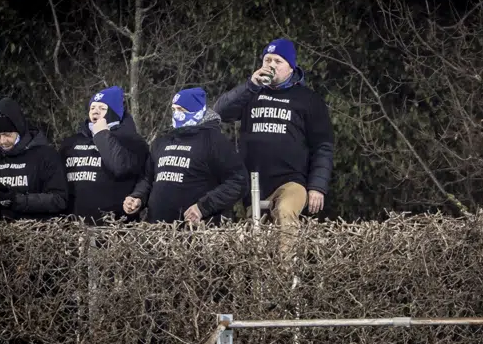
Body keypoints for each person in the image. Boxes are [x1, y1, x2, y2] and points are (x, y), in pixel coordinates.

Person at [214, 38, 333, 251]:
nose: (271, 65)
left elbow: (323, 145)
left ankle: (284, 276)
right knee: (253, 242)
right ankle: (259, 281)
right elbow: (220, 113)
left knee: (285, 213)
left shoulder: (307, 99)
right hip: (253, 184)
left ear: (291, 67)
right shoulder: (252, 93)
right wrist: (250, 86)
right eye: (267, 59)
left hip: (291, 181)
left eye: (277, 60)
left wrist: (317, 186)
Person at [127, 88, 247, 225]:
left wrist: (203, 207)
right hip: (158, 233)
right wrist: (138, 197)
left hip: (198, 233)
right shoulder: (162, 141)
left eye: (182, 110)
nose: (177, 115)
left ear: (196, 111)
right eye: (174, 110)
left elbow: (238, 181)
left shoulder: (214, 141)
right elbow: (148, 178)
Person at [58, 86, 149, 223]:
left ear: (113, 113)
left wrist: (102, 134)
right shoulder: (71, 142)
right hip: (73, 225)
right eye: (93, 107)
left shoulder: (132, 141)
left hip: (113, 226)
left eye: (102, 108)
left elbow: (120, 167)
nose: (95, 111)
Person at [0, 99, 69, 221]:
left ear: (20, 130)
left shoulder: (46, 155)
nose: (2, 141)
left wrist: (16, 200)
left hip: (37, 233)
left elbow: (59, 200)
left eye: (7, 135)